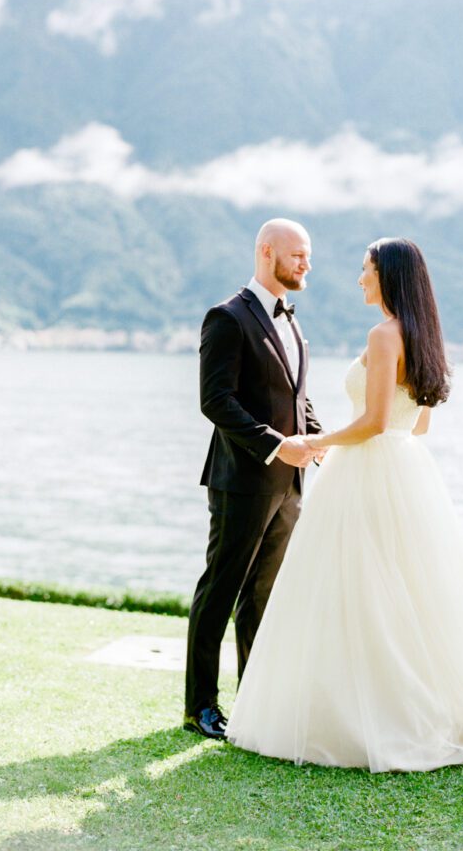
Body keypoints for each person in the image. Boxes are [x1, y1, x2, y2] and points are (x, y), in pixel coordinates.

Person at [225, 237, 463, 771]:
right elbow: (415, 423)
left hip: (369, 469)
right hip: (408, 469)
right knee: (406, 590)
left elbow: (375, 422)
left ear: (388, 277)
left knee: (361, 588)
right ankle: (411, 698)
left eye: (365, 269)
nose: (359, 279)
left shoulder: (382, 336)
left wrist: (317, 443)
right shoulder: (423, 336)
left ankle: (370, 710)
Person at [184, 218, 323, 740]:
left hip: (289, 486)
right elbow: (215, 400)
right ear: (267, 252)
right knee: (220, 590)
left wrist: (320, 440)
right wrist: (274, 444)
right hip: (241, 480)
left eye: (308, 255)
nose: (306, 264)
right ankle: (199, 706)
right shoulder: (226, 317)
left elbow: (297, 397)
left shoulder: (292, 321)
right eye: (298, 254)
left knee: (263, 595)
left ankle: (255, 701)